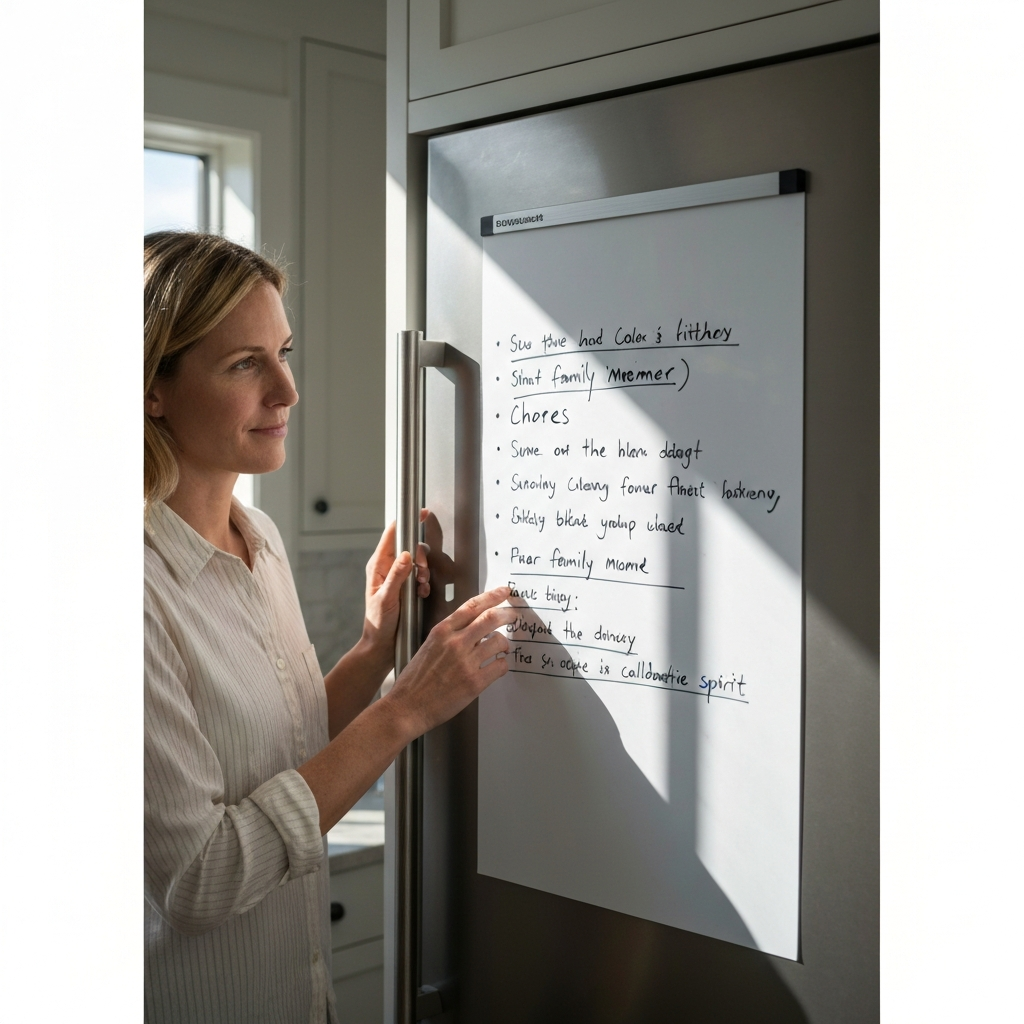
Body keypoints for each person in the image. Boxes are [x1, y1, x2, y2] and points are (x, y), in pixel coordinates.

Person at [143, 232, 514, 1023]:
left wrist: (373, 649)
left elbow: (286, 746)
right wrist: (404, 708)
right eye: (245, 364)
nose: (287, 389)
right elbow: (200, 882)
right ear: (151, 389)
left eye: (282, 351)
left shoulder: (259, 538)